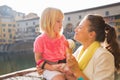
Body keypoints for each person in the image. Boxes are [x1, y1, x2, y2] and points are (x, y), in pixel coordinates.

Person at [65, 14, 120, 80]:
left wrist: (77, 72)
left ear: (91, 34)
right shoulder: (79, 51)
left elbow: (79, 76)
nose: (75, 29)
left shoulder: (103, 56)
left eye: (80, 27)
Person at [33, 7, 67, 80]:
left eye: (62, 21)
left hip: (63, 66)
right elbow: (38, 59)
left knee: (76, 77)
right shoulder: (40, 40)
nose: (61, 24)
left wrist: (67, 65)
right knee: (59, 78)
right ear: (48, 22)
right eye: (58, 21)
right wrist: (51, 67)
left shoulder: (62, 37)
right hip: (49, 68)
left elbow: (66, 54)